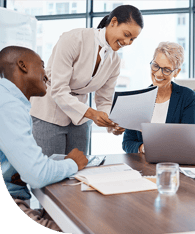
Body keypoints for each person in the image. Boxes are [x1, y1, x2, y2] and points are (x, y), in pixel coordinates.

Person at [30, 5, 143, 156]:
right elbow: (59, 90)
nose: (128, 42)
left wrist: (112, 124)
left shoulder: (114, 61)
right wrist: (92, 113)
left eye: (133, 39)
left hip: (80, 117)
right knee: (50, 170)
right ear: (114, 22)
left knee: (80, 170)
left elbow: (104, 99)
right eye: (127, 34)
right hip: (50, 111)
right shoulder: (73, 39)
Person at [0, 46, 89, 232]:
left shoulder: (10, 101)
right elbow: (37, 175)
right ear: (22, 65)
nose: (47, 74)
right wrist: (73, 163)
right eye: (41, 65)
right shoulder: (8, 105)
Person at [122, 42, 195, 153]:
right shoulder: (138, 98)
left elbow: (187, 140)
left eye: (166, 70)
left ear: (176, 72)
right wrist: (143, 148)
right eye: (155, 66)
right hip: (143, 164)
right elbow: (127, 143)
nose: (158, 74)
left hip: (172, 163)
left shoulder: (187, 97)